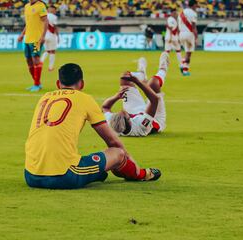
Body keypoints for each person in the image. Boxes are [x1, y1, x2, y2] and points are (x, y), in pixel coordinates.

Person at [24, 63, 161, 189]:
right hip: (64, 176)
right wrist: (132, 162)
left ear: (58, 83)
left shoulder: (44, 98)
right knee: (117, 154)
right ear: (82, 84)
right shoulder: (85, 99)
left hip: (30, 175)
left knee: (87, 161)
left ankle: (95, 174)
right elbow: (113, 142)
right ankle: (142, 175)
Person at [102, 52, 169, 137]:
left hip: (135, 111)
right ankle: (163, 68)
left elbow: (105, 107)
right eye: (123, 113)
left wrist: (116, 97)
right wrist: (137, 82)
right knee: (153, 83)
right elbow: (154, 100)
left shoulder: (114, 123)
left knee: (124, 78)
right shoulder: (142, 125)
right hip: (155, 118)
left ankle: (142, 74)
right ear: (129, 120)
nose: (122, 110)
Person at [18, 0, 48, 92]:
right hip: (27, 39)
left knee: (36, 60)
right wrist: (22, 35)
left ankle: (36, 84)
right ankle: (36, 82)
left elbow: (46, 21)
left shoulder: (41, 6)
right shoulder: (27, 6)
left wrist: (43, 36)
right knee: (29, 61)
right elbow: (28, 23)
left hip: (36, 39)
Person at [178, 0, 198, 76]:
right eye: (196, 5)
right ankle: (184, 69)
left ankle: (182, 65)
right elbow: (193, 26)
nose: (196, 7)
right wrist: (196, 38)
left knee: (187, 52)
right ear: (193, 5)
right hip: (189, 33)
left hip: (181, 33)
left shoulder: (181, 12)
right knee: (189, 53)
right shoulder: (193, 13)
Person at [40, 5, 59, 72]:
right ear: (53, 10)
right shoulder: (54, 17)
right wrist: (58, 36)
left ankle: (40, 62)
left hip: (44, 35)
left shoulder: (44, 16)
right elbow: (55, 27)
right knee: (52, 51)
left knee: (46, 50)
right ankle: (50, 67)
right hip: (51, 35)